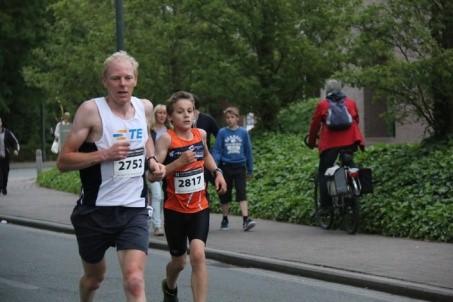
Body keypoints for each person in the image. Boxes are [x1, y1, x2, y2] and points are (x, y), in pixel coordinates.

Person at [57, 51, 165, 302]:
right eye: (116, 78)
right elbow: (63, 161)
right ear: (105, 81)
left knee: (135, 281)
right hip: (95, 212)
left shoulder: (144, 107)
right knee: (94, 279)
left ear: (136, 79)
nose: (123, 84)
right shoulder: (90, 111)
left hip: (134, 209)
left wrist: (152, 161)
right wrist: (104, 154)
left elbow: (146, 137)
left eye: (128, 77)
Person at [153, 91, 226, 302]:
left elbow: (207, 156)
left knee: (198, 255)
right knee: (179, 262)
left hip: (199, 208)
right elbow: (155, 173)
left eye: (190, 111)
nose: (186, 115)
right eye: (180, 112)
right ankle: (170, 285)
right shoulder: (166, 139)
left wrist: (217, 172)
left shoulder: (200, 134)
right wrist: (179, 163)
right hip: (175, 210)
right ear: (170, 117)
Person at [306, 79, 365, 214]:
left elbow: (314, 126)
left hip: (330, 144)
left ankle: (325, 206)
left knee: (324, 172)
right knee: (350, 165)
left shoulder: (323, 105)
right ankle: (354, 188)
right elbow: (356, 121)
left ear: (327, 90)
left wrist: (311, 142)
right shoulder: (351, 103)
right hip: (349, 142)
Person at [212, 106, 256, 231]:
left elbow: (248, 151)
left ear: (237, 118)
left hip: (240, 166)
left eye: (232, 117)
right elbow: (217, 150)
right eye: (227, 117)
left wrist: (250, 169)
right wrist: (215, 167)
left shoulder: (243, 132)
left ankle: (246, 219)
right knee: (225, 193)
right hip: (226, 167)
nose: (230, 120)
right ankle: (225, 219)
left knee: (242, 193)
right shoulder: (222, 133)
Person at [146, 104, 169, 236]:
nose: (162, 115)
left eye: (164, 113)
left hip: (165, 168)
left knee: (161, 197)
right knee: (157, 195)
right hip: (150, 168)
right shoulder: (150, 130)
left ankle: (155, 222)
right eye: (159, 113)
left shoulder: (169, 130)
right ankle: (157, 226)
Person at [0, 117, 20, 195]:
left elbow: (15, 142)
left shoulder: (7, 133)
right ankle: (0, 186)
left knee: (5, 173)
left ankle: (4, 187)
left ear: (1, 123)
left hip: (5, 156)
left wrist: (16, 149)